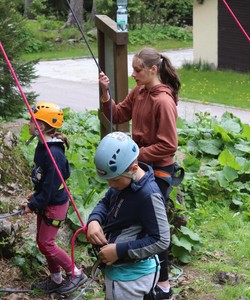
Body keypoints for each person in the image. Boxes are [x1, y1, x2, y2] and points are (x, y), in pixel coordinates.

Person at [98, 47, 181, 299]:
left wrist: (134, 154)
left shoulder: (163, 101)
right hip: (135, 164)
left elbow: (169, 145)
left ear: (153, 70)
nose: (133, 74)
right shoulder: (140, 92)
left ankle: (163, 284)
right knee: (134, 221)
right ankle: (136, 268)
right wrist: (105, 93)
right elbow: (117, 114)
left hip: (157, 170)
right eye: (132, 69)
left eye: (137, 69)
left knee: (153, 228)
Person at [86, 131, 170, 300]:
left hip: (131, 277)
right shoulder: (123, 183)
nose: (110, 184)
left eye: (114, 180)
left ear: (133, 169)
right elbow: (105, 202)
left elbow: (161, 239)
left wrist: (119, 250)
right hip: (121, 270)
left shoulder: (148, 195)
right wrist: (94, 220)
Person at [22, 102, 87, 295]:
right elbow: (45, 178)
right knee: (42, 242)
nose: (28, 124)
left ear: (40, 127)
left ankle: (75, 273)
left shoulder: (54, 154)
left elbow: (52, 186)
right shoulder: (42, 146)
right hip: (46, 201)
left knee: (46, 243)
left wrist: (33, 205)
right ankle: (56, 278)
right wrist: (36, 193)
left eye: (31, 121)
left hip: (54, 205)